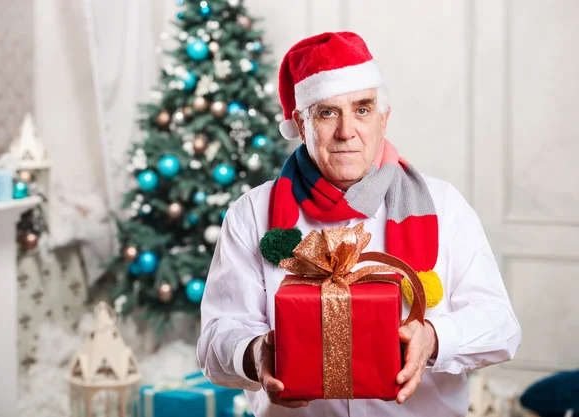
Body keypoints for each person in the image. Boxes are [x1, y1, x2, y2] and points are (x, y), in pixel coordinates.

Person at [197, 31, 522, 417]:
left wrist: (434, 339)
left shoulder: (444, 206)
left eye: (363, 110)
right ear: (301, 124)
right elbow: (214, 340)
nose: (347, 131)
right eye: (327, 112)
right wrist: (254, 353)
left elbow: (501, 326)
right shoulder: (252, 214)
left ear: (384, 118)